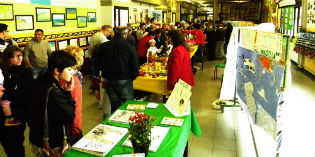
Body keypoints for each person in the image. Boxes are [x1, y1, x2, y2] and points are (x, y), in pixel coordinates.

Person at [27, 51, 76, 156]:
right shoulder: (54, 92)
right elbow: (70, 117)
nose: (73, 72)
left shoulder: (37, 81)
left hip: (36, 139)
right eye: (69, 69)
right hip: (52, 144)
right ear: (57, 70)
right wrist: (68, 93)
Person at [96, 26, 139, 113]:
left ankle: (116, 122)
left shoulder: (104, 46)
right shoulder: (130, 47)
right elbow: (135, 65)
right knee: (128, 105)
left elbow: (98, 63)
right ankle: (128, 123)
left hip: (108, 79)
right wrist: (132, 77)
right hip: (124, 79)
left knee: (114, 104)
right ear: (125, 35)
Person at [0, 45, 33, 157]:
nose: (20, 58)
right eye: (16, 56)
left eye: (21, 56)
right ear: (8, 58)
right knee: (6, 143)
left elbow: (26, 95)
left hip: (18, 114)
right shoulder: (2, 70)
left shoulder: (26, 72)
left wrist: (4, 94)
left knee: (15, 145)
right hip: (3, 114)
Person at [62, 46, 84, 145]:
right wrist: (76, 130)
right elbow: (75, 106)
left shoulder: (59, 75)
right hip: (71, 128)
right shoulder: (73, 79)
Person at [89, 25, 112, 107]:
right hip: (97, 59)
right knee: (99, 82)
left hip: (92, 57)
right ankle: (101, 102)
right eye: (109, 32)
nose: (109, 34)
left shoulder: (95, 34)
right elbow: (108, 46)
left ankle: (98, 100)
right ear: (105, 30)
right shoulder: (101, 37)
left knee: (95, 80)